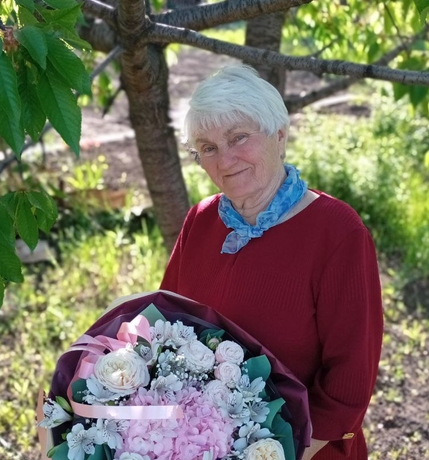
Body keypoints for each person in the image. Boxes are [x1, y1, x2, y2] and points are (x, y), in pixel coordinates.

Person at [160, 65, 383, 460]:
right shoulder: (201, 220)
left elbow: (349, 382)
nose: (225, 160)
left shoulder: (337, 232)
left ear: (279, 135)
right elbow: (167, 328)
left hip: (301, 449)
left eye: (239, 137)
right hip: (202, 443)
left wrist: (279, 452)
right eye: (208, 148)